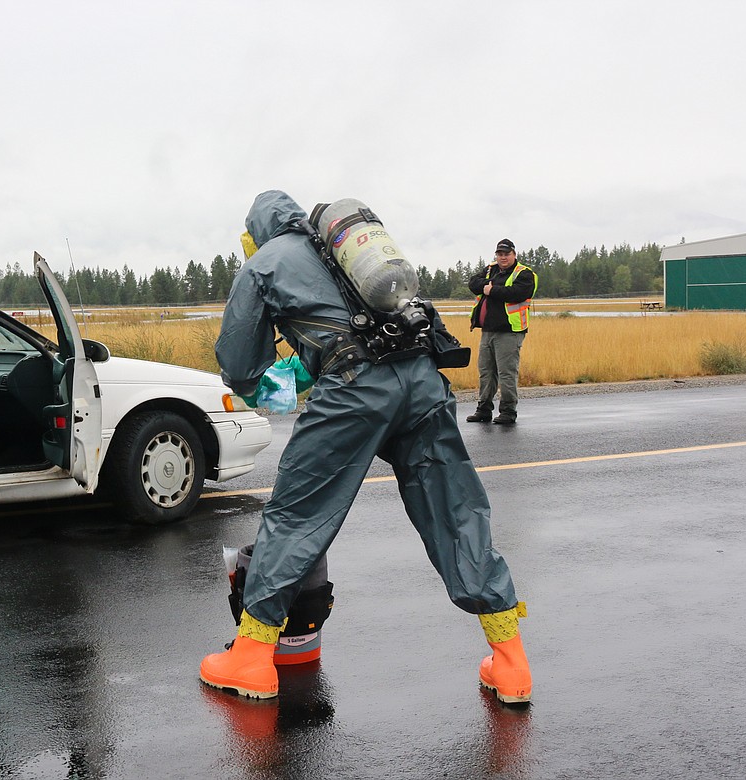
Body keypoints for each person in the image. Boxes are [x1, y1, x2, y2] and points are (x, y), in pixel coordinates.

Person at [200, 190, 533, 705]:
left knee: (297, 513)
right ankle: (510, 663)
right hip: (421, 379)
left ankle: (249, 657)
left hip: (355, 390)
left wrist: (278, 378)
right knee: (456, 510)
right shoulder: (343, 254)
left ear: (256, 232)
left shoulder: (263, 264)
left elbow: (240, 366)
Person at [466, 239, 538, 425]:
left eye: (506, 254)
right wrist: (490, 286)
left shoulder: (524, 273)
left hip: (509, 331)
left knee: (506, 373)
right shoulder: (491, 269)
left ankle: (508, 411)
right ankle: (484, 410)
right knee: (485, 371)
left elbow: (516, 293)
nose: (503, 257)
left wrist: (491, 290)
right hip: (488, 330)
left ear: (514, 254)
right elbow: (473, 283)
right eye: (500, 254)